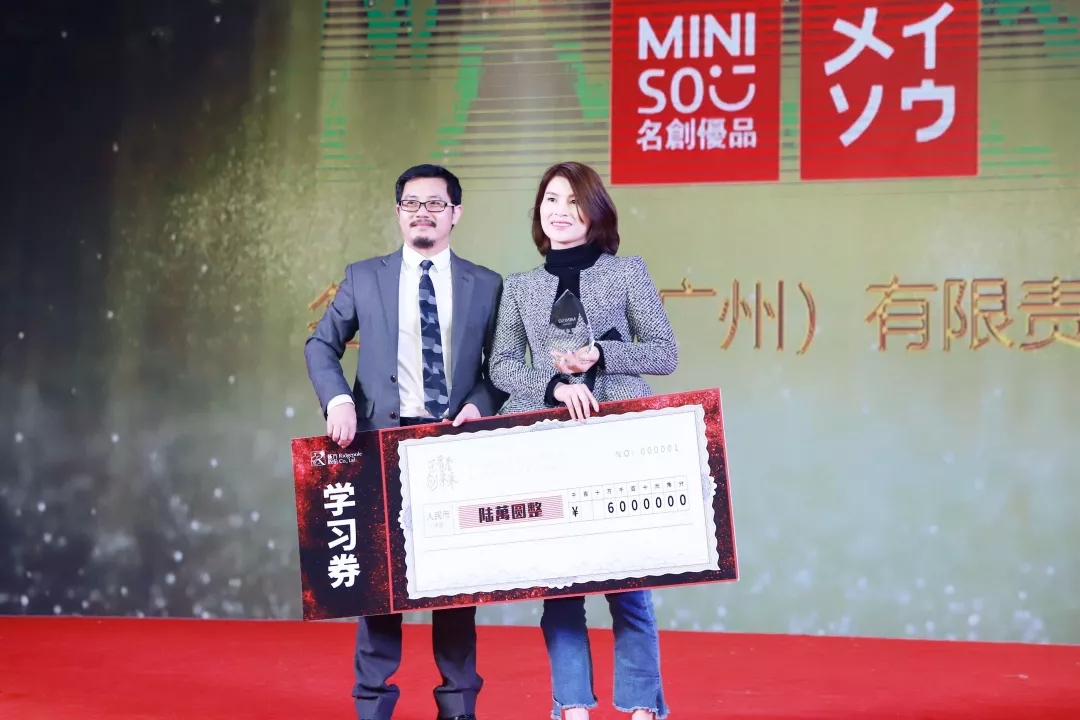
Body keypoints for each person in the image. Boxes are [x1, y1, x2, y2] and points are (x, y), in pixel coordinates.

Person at [304, 163, 505, 720]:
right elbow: (320, 346)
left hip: (454, 444)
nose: (423, 212)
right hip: (380, 444)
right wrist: (338, 401)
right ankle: (372, 706)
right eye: (412, 203)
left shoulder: (486, 284)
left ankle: (458, 707)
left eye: (435, 203)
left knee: (456, 589)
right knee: (380, 586)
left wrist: (479, 404)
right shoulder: (364, 277)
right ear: (398, 213)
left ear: (455, 213)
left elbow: (502, 367)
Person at [488, 161, 677, 720]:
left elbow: (664, 353)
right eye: (551, 199)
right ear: (538, 211)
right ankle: (571, 705)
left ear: (595, 213)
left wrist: (601, 354)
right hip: (546, 444)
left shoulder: (627, 273)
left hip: (617, 438)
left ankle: (641, 707)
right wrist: (552, 385)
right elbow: (501, 365)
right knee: (559, 587)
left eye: (574, 201)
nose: (561, 211)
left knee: (629, 582)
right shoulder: (519, 286)